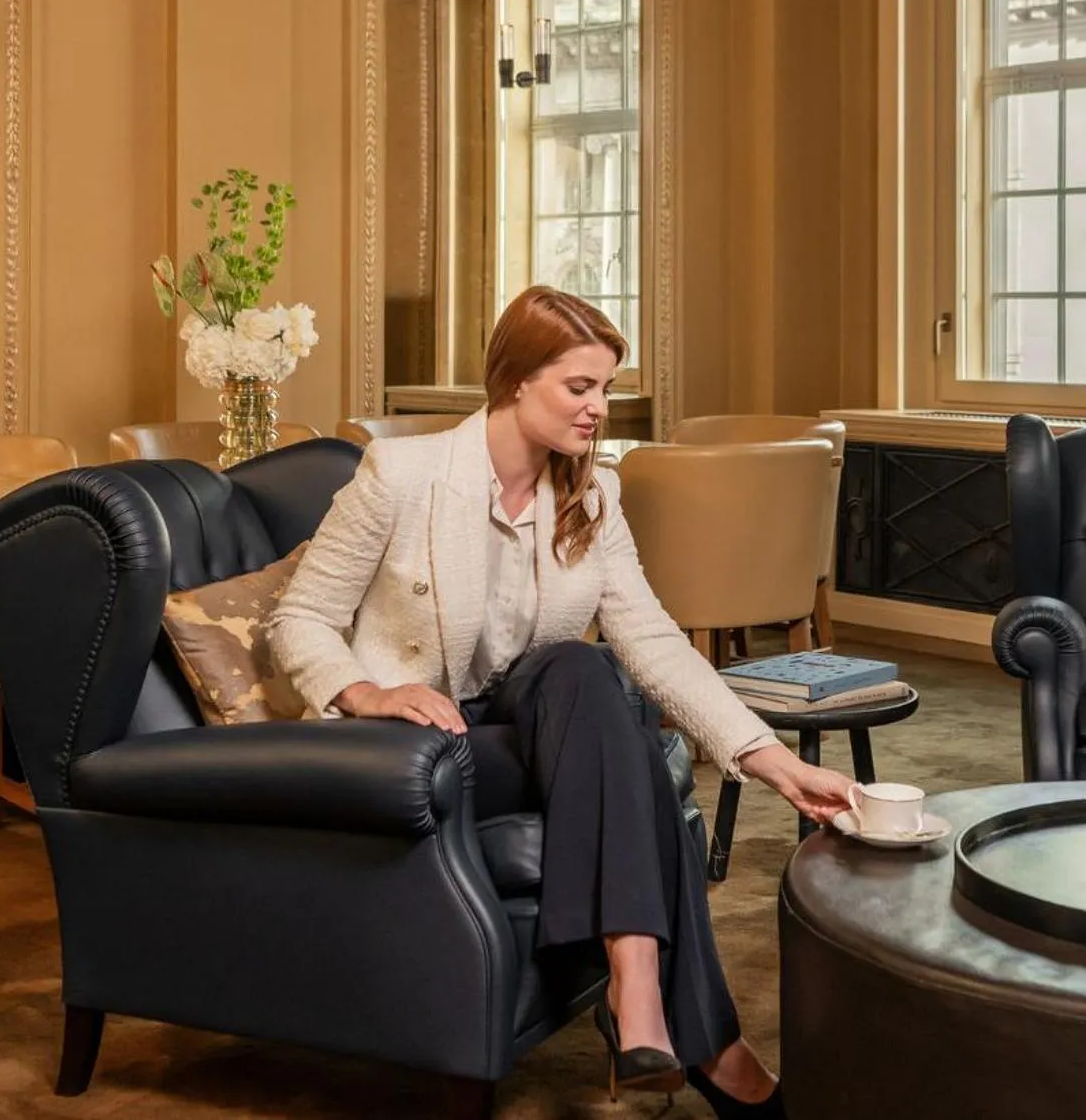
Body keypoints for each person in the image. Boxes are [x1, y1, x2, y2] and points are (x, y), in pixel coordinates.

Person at [269, 284, 853, 1118]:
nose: (598, 409)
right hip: (411, 748)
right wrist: (368, 690)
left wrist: (774, 761)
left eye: (606, 388)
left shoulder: (593, 495)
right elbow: (302, 617)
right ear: (514, 380)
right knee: (624, 740)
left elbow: (652, 637)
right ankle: (713, 1046)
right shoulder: (401, 474)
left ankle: (639, 985)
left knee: (585, 672)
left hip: (523, 729)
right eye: (579, 387)